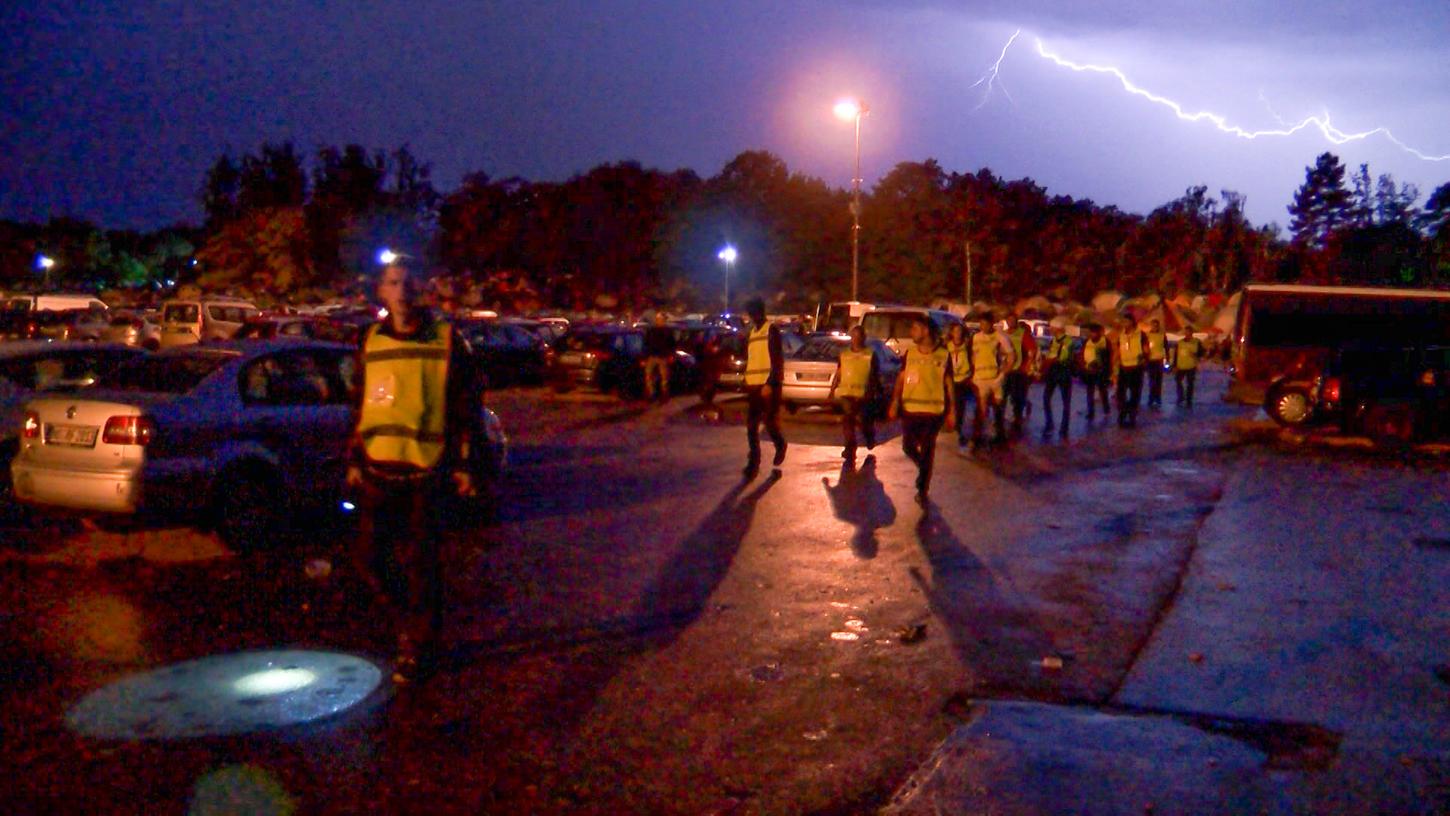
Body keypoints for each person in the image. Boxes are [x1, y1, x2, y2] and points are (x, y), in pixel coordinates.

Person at [346, 257, 480, 685]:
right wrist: (353, 458)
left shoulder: (446, 340)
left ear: (418, 288)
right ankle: (415, 623)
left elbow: (465, 405)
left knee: (424, 565)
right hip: (379, 469)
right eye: (392, 283)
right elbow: (359, 402)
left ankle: (418, 645)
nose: (400, 291)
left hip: (427, 471)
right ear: (381, 291)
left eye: (406, 283)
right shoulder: (370, 340)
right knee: (371, 559)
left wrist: (465, 463)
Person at [888, 315, 954, 504]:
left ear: (925, 331)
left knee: (927, 448)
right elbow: (901, 379)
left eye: (915, 329)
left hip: (934, 412)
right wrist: (894, 402)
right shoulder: (910, 353)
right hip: (910, 409)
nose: (911, 333)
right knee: (908, 447)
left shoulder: (944, 355)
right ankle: (924, 467)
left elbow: (949, 384)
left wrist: (952, 411)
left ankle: (922, 487)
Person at [742, 297, 786, 477]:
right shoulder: (752, 332)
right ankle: (753, 463)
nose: (751, 316)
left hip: (768, 386)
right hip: (753, 386)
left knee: (769, 423)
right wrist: (745, 380)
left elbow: (777, 360)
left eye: (752, 312)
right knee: (751, 427)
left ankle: (780, 444)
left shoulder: (771, 330)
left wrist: (770, 383)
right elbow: (751, 359)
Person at [828, 324, 878, 460]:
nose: (855, 339)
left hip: (863, 395)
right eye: (853, 336)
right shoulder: (844, 354)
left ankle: (869, 436)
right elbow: (839, 373)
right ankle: (850, 449)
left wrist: (872, 392)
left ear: (863, 338)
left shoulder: (870, 355)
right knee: (848, 422)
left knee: (863, 422)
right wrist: (832, 390)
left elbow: (874, 376)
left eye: (858, 336)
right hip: (847, 393)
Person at [966, 314, 1014, 452]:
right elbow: (972, 356)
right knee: (981, 410)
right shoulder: (975, 338)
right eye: (981, 324)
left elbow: (1011, 355)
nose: (983, 326)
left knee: (998, 409)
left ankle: (999, 437)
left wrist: (1004, 373)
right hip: (980, 379)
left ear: (991, 324)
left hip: (995, 378)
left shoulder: (1000, 337)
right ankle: (976, 438)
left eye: (985, 323)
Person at [1113, 317, 1149, 428]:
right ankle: (1122, 414)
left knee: (1135, 394)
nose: (1124, 323)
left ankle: (1132, 416)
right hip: (1124, 367)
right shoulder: (1121, 335)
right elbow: (1119, 351)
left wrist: (1144, 359)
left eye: (1126, 321)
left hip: (1136, 368)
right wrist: (1113, 365)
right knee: (1120, 394)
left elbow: (1146, 350)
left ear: (1132, 322)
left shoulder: (1141, 335)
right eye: (1123, 321)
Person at [1041, 323, 1075, 438]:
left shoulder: (1068, 341)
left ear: (1059, 328)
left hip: (1063, 371)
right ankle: (1049, 422)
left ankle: (1064, 427)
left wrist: (1050, 360)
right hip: (1053, 372)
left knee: (1065, 401)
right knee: (1046, 397)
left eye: (1052, 327)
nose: (1050, 329)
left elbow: (1063, 357)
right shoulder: (1054, 340)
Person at [944, 322, 973, 453]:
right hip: (950, 380)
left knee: (960, 406)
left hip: (963, 380)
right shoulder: (947, 346)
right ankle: (949, 428)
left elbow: (972, 360)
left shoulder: (967, 346)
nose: (958, 334)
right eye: (955, 331)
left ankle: (958, 430)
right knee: (949, 404)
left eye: (960, 331)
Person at [1005, 318, 1038, 432]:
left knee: (1017, 395)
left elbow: (1032, 353)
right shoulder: (1005, 333)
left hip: (1020, 370)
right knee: (1008, 395)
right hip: (1008, 369)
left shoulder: (1024, 336)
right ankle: (1013, 416)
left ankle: (1017, 418)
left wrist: (1028, 366)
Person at [1080, 323, 1111, 422]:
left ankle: (1106, 409)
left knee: (1102, 390)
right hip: (1089, 370)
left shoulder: (1105, 342)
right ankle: (1090, 412)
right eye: (1091, 332)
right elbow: (1082, 354)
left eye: (1093, 332)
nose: (1092, 334)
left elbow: (1108, 356)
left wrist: (1105, 368)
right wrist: (1083, 366)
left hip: (1100, 370)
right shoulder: (1087, 342)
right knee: (1090, 392)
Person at [642, 311, 676, 402]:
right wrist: (645, 357)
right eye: (658, 319)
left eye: (661, 319)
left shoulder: (668, 331)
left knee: (664, 377)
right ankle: (652, 394)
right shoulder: (651, 331)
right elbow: (646, 344)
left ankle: (664, 394)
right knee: (649, 376)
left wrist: (671, 355)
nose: (660, 321)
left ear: (664, 320)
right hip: (652, 356)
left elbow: (672, 344)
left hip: (663, 356)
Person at [1172, 331, 1204, 407]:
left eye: (1188, 333)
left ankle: (1189, 400)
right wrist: (1174, 365)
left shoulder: (1196, 342)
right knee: (1178, 381)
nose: (1187, 335)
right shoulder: (1180, 342)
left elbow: (1201, 352)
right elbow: (1176, 354)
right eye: (1186, 333)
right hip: (1181, 366)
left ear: (1191, 334)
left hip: (1191, 366)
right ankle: (1181, 397)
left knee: (1190, 384)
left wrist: (1195, 355)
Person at [1145, 318, 1168, 408]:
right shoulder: (1147, 336)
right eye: (1153, 325)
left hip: (1159, 360)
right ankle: (1151, 398)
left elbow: (1166, 347)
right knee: (1151, 381)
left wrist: (1167, 359)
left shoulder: (1162, 335)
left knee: (1158, 380)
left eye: (1156, 325)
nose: (1154, 327)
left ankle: (1157, 398)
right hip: (1150, 360)